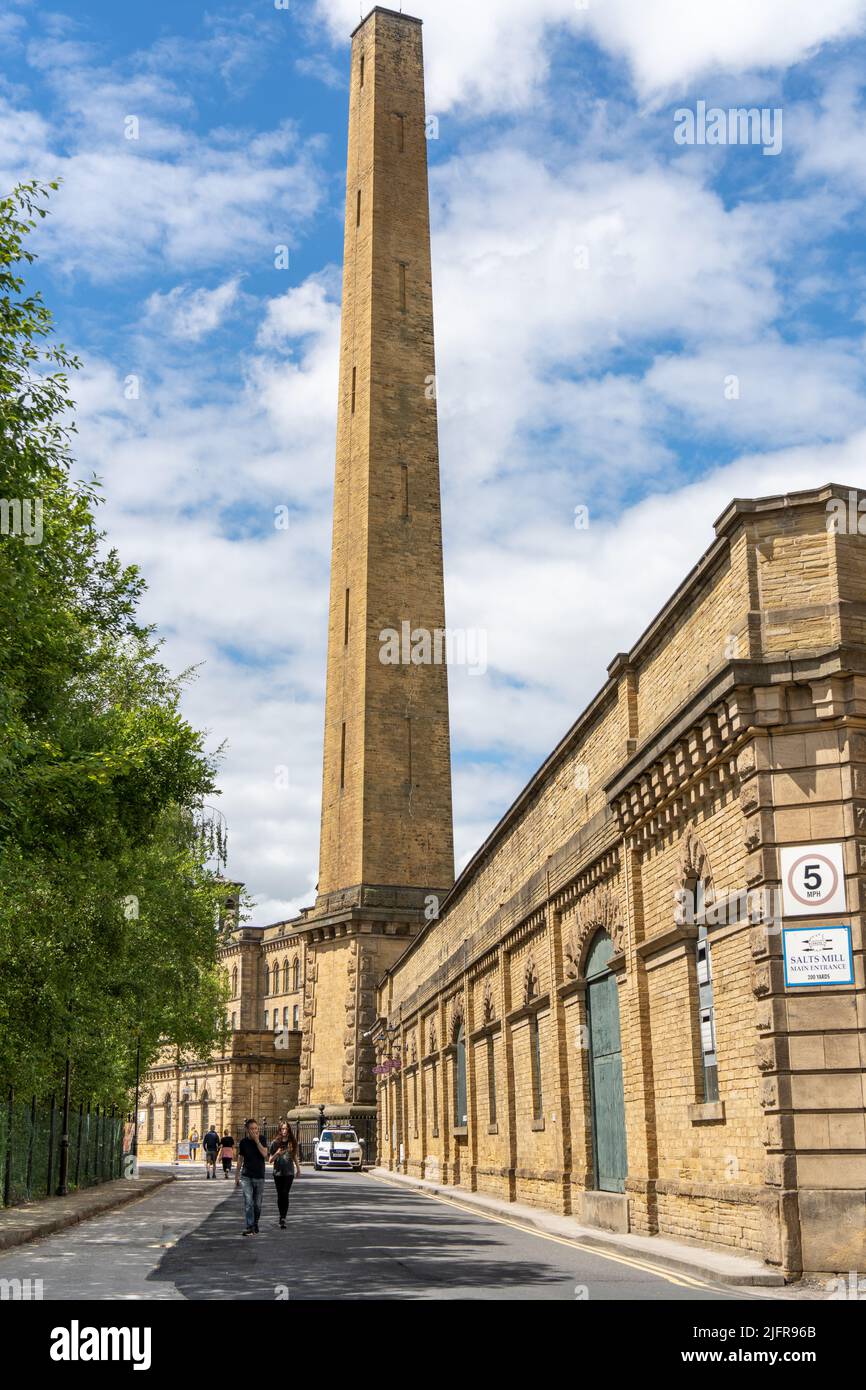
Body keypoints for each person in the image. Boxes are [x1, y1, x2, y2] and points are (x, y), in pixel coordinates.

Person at [236, 1118, 269, 1234]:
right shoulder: (243, 1142)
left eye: (256, 1128)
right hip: (246, 1176)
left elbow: (265, 1154)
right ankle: (250, 1225)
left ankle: (255, 1223)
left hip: (259, 1176)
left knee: (257, 1204)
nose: (254, 1131)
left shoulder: (262, 1139)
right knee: (249, 1202)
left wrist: (257, 1141)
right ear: (247, 1130)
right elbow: (240, 1160)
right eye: (252, 1129)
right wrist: (237, 1176)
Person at [269, 1120, 301, 1229]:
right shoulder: (275, 1143)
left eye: (286, 1128)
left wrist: (298, 1168)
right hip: (277, 1173)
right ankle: (281, 1214)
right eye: (282, 1128)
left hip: (289, 1172)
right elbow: (270, 1160)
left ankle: (283, 1217)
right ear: (280, 1129)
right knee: (280, 1195)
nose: (284, 1131)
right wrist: (277, 1153)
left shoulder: (292, 1142)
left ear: (289, 1130)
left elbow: (294, 1156)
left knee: (285, 1193)